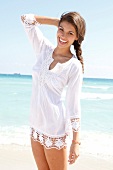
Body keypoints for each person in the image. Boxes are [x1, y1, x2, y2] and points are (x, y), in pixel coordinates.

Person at [21, 11, 86, 170]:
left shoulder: (73, 66)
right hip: (35, 124)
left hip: (54, 130)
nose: (63, 35)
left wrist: (75, 142)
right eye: (61, 29)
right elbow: (26, 20)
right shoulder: (43, 49)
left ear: (76, 37)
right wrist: (58, 21)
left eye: (70, 33)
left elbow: (73, 105)